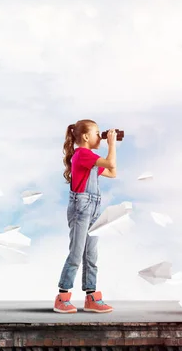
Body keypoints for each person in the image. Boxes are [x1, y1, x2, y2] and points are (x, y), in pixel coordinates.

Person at [54, 119, 117, 313]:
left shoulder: (90, 159)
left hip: (93, 209)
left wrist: (109, 146)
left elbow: (113, 172)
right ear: (85, 137)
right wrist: (112, 144)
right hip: (81, 209)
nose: (101, 136)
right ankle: (62, 297)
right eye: (98, 133)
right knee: (76, 253)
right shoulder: (82, 154)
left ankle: (91, 297)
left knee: (91, 255)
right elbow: (110, 162)